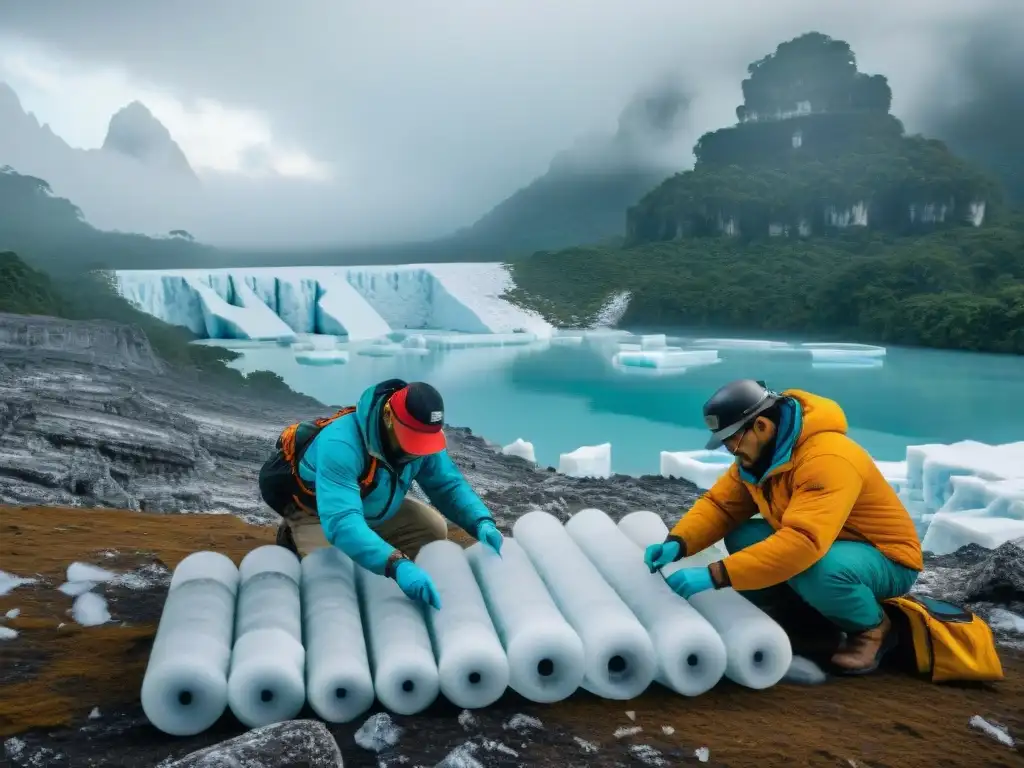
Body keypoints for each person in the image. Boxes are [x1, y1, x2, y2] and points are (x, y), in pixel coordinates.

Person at [644, 379, 923, 675]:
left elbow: (803, 542)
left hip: (884, 557)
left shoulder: (827, 458)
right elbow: (721, 506)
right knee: (744, 536)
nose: (731, 452)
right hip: (829, 544)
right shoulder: (761, 454)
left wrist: (716, 575)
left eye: (732, 442)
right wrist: (678, 542)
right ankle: (805, 614)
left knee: (819, 569)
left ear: (761, 426)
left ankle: (872, 630)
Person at [271, 378, 504, 611]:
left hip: (371, 508)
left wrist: (480, 521)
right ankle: (293, 536)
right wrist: (395, 564)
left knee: (432, 528)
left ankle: (371, 552)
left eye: (424, 441)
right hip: (321, 515)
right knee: (334, 582)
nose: (417, 449)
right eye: (412, 439)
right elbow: (342, 522)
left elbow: (447, 485)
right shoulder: (341, 443)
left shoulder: (423, 436)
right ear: (388, 417)